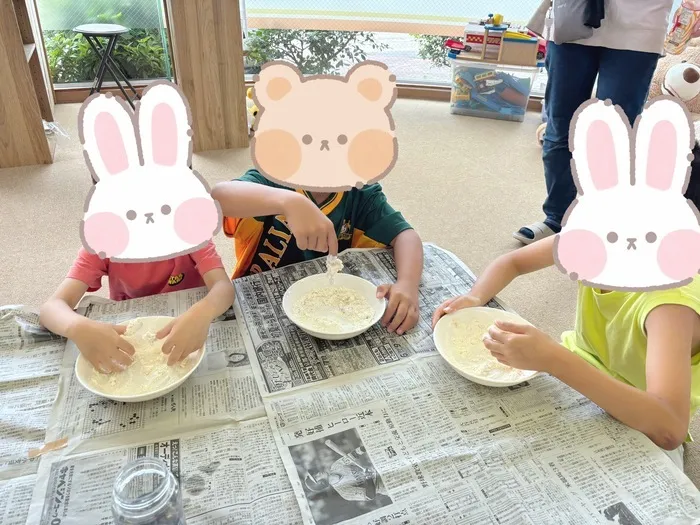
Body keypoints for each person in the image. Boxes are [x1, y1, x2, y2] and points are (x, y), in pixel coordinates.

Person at [434, 159, 700, 470]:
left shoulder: (670, 303)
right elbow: (513, 262)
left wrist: (553, 359)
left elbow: (668, 428)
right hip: (581, 367)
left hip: (640, 414)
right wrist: (475, 296)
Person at [514, 0, 675, 244]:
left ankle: (600, 222)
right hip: (571, 20)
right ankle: (557, 218)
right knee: (561, 125)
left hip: (640, 27)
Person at [211, 170, 424, 335]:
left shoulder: (361, 193)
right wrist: (289, 202)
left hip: (330, 307)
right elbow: (220, 195)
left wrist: (407, 284)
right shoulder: (272, 179)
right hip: (258, 303)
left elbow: (406, 236)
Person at [39, 241, 235, 373]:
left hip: (187, 327)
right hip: (134, 338)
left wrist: (204, 312)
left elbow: (223, 287)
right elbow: (51, 308)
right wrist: (77, 327)